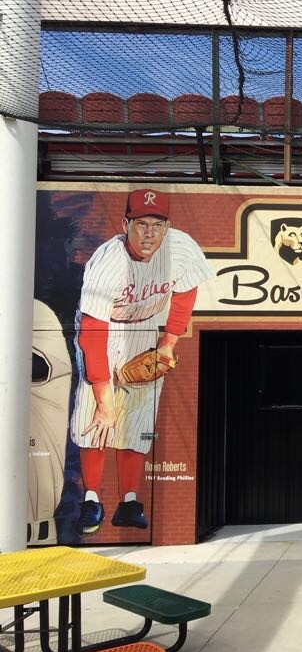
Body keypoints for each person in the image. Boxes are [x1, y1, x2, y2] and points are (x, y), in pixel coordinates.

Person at [70, 189, 212, 533]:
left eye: (157, 224)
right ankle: (92, 499)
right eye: (141, 224)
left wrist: (167, 344)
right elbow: (92, 333)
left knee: (135, 422)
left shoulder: (180, 249)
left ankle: (128, 502)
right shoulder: (108, 262)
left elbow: (184, 297)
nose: (149, 233)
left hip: (145, 332)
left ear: (167, 226)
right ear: (126, 224)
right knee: (96, 420)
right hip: (105, 330)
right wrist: (105, 398)